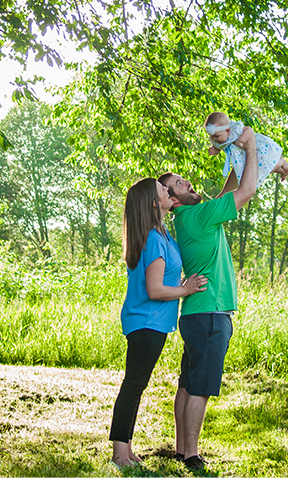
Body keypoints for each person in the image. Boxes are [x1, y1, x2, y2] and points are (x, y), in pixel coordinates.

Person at [158, 125, 259, 471]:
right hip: (211, 314)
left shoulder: (192, 218)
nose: (187, 183)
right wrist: (253, 148)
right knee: (200, 387)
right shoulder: (199, 216)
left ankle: (181, 448)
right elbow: (248, 189)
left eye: (184, 178)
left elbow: (225, 193)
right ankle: (191, 456)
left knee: (187, 384)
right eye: (179, 184)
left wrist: (236, 156)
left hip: (195, 315)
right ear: (173, 200)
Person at [109, 177, 209, 468]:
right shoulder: (153, 237)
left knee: (136, 384)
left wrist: (179, 286)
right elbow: (155, 291)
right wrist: (186, 289)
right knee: (134, 385)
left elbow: (162, 280)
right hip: (146, 322)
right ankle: (119, 454)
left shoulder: (162, 235)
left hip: (153, 323)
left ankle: (125, 449)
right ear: (155, 203)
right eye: (163, 190)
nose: (168, 191)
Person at [204, 111, 288, 187]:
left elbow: (250, 130)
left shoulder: (235, 130)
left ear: (227, 131)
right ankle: (282, 172)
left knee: (264, 168)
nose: (214, 139)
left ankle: (281, 162)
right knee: (257, 174)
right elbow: (218, 147)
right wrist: (214, 150)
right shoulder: (218, 139)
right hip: (245, 158)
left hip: (257, 150)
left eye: (216, 136)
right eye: (212, 137)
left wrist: (241, 140)